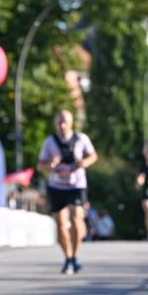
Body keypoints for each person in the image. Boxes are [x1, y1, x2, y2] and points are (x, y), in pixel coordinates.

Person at [37, 109, 98, 273]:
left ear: (71, 123)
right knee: (60, 223)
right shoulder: (49, 142)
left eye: (65, 122)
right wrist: (50, 164)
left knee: (77, 219)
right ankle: (68, 256)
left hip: (76, 186)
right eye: (59, 122)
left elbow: (93, 156)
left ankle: (75, 255)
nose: (62, 125)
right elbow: (40, 165)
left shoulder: (81, 138)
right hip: (56, 187)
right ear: (55, 123)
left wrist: (83, 163)